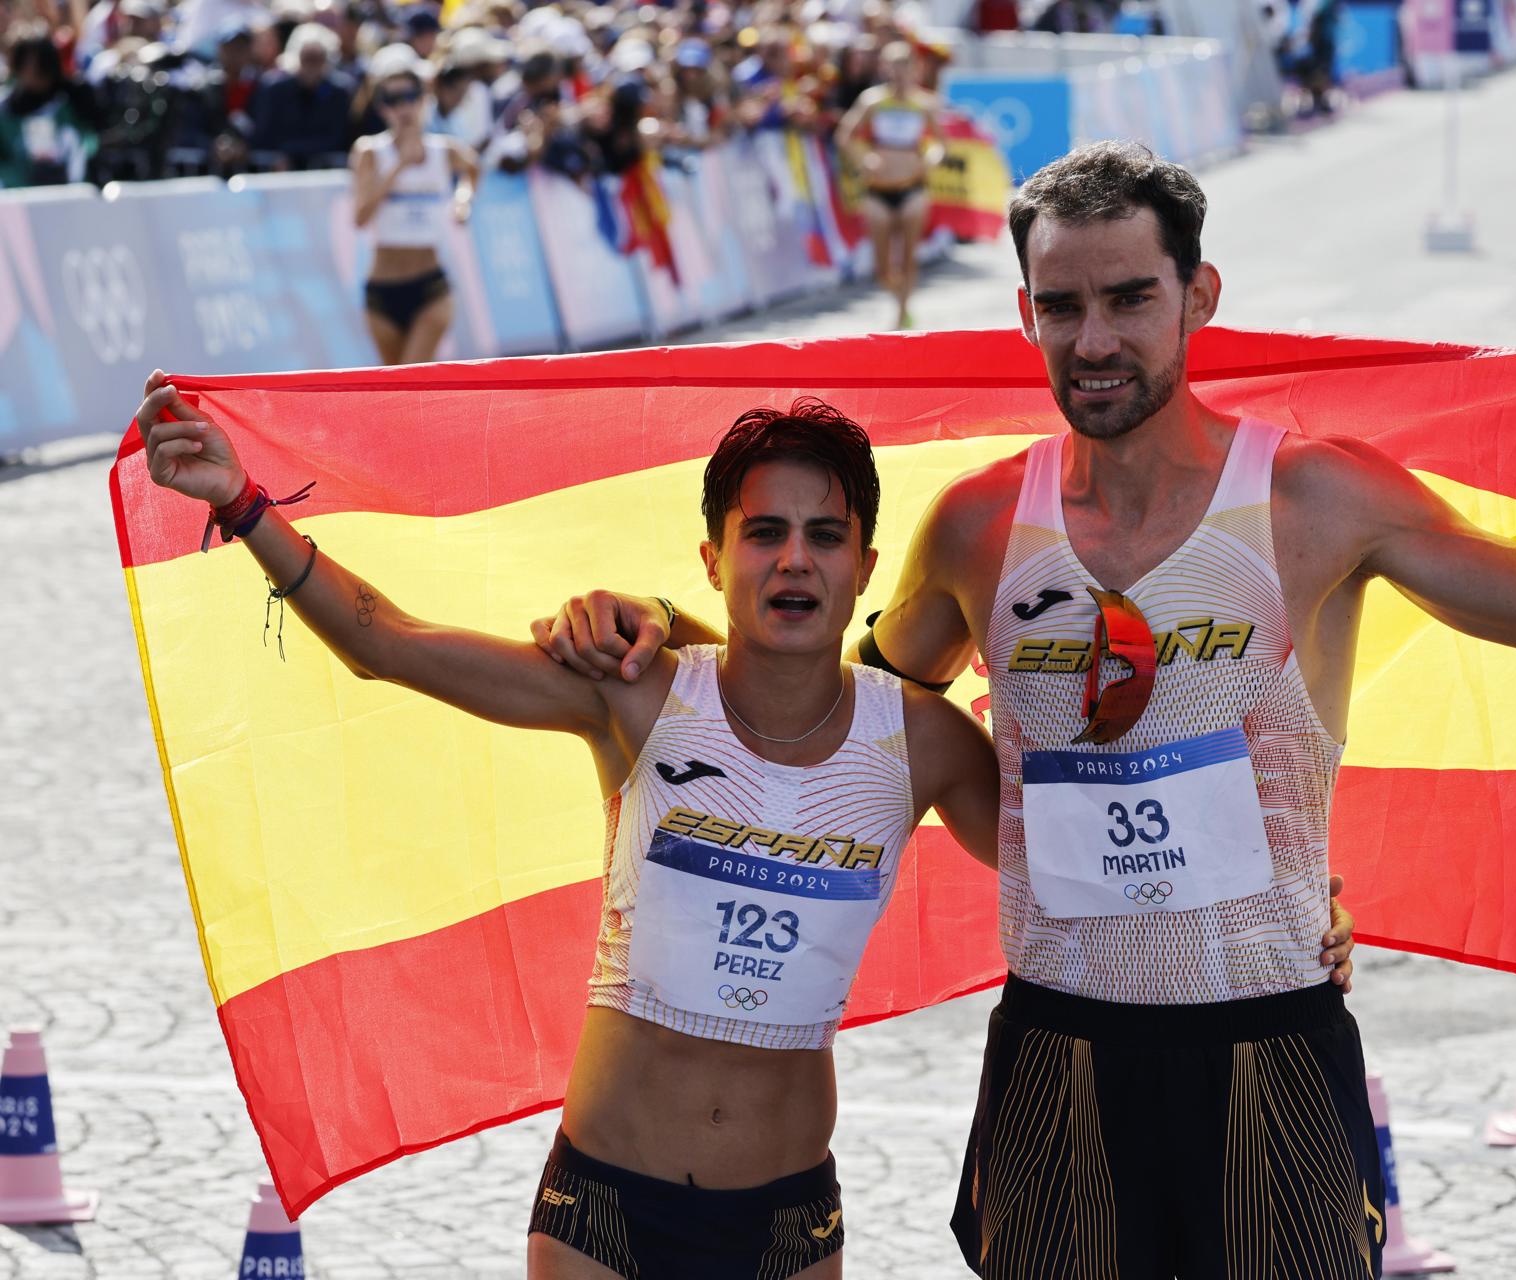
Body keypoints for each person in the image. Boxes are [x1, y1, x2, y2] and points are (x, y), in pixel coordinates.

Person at [532, 139, 1516, 1279]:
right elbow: (836, 701)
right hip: (1059, 1049)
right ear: (1026, 314)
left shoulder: (1317, 497)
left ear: (1199, 297)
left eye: (1131, 298)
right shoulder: (983, 527)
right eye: (1062, 305)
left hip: (1269, 1039)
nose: (1095, 341)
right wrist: (657, 631)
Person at [134, 383, 1084, 1279]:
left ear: (865, 566)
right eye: (764, 534)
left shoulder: (924, 743)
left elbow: (1076, 874)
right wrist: (247, 503)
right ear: (713, 558)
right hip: (604, 1208)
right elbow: (388, 644)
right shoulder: (638, 696)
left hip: (788, 1224)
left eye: (825, 536)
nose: (794, 559)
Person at [350, 45, 479, 365]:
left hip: (430, 286)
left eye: (409, 96)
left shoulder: (444, 149)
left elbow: (474, 169)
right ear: (382, 109)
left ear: (424, 99)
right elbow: (361, 217)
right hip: (382, 291)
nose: (403, 108)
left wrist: (463, 200)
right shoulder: (370, 152)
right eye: (392, 101)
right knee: (395, 390)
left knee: (413, 375)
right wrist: (398, 167)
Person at [833, 40, 944, 330]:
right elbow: (845, 135)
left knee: (908, 255)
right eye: (893, 66)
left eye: (904, 65)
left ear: (913, 68)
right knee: (882, 267)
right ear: (885, 68)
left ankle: (902, 312)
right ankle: (899, 297)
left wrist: (930, 160)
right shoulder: (872, 100)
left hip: (912, 187)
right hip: (878, 189)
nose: (898, 72)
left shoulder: (925, 103)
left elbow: (940, 145)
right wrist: (863, 158)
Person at [0, 28, 99, 187]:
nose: (32, 72)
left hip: (67, 190)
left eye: (39, 67)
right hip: (19, 197)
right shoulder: (6, 110)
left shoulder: (71, 99)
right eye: (26, 65)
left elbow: (89, 141)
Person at [249, 20, 352, 169]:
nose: (311, 67)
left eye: (317, 59)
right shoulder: (275, 91)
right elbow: (265, 135)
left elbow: (337, 137)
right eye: (307, 59)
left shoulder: (339, 92)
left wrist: (293, 151)